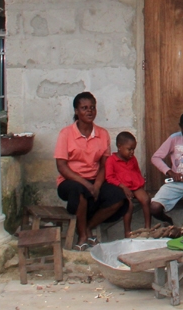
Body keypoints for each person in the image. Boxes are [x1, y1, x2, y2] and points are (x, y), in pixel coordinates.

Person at [54, 92, 128, 250]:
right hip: (71, 181)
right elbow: (61, 166)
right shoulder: (66, 134)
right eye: (84, 108)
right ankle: (82, 237)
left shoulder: (102, 134)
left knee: (118, 197)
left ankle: (88, 227)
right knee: (79, 191)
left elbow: (104, 164)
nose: (89, 111)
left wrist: (97, 184)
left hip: (95, 179)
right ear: (76, 111)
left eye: (92, 108)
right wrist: (87, 185)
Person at [106, 131, 152, 237]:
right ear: (119, 146)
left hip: (135, 186)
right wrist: (122, 187)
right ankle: (127, 231)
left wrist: (141, 184)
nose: (132, 152)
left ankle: (148, 228)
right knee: (129, 205)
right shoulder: (111, 160)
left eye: (133, 149)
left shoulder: (132, 159)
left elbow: (137, 172)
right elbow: (109, 177)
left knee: (145, 199)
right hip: (121, 188)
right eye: (129, 149)